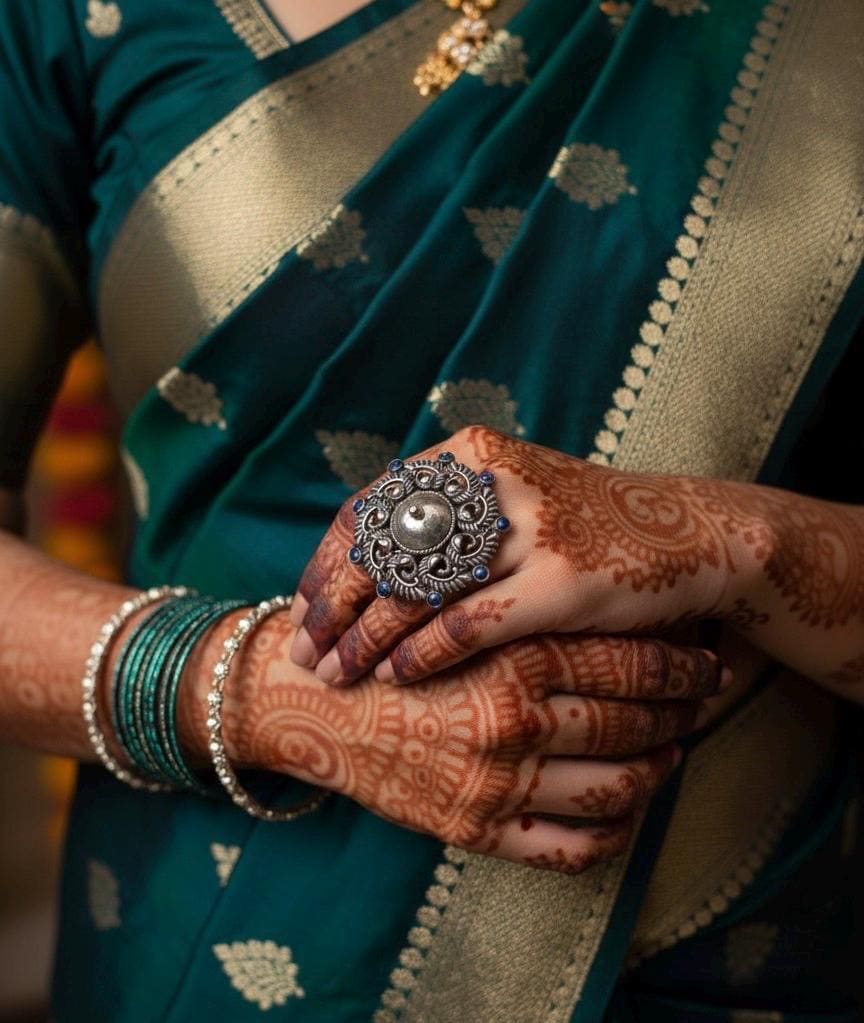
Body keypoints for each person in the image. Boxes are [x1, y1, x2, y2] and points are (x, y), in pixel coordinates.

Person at [0, 0, 861, 1019]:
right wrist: (256, 697)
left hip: (759, 956)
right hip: (216, 944)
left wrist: (736, 543)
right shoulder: (76, 20)